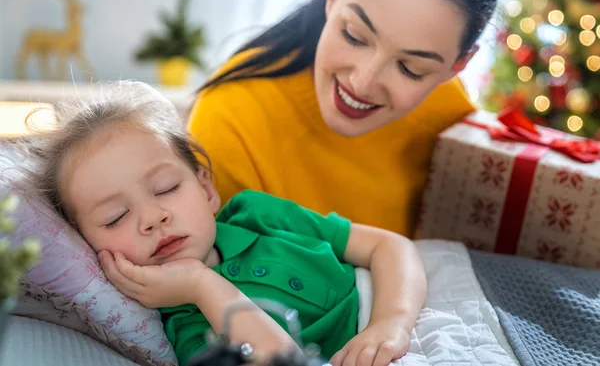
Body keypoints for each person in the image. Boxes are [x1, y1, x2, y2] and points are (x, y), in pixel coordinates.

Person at [16, 82, 426, 366]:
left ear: (207, 189)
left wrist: (390, 324)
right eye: (115, 217)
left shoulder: (257, 214)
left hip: (395, 307)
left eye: (166, 187)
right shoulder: (186, 325)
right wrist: (202, 284)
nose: (152, 218)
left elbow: (390, 247)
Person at [188, 0, 502, 236]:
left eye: (411, 68)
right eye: (354, 35)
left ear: (458, 64)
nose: (362, 83)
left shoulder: (448, 109)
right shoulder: (231, 115)